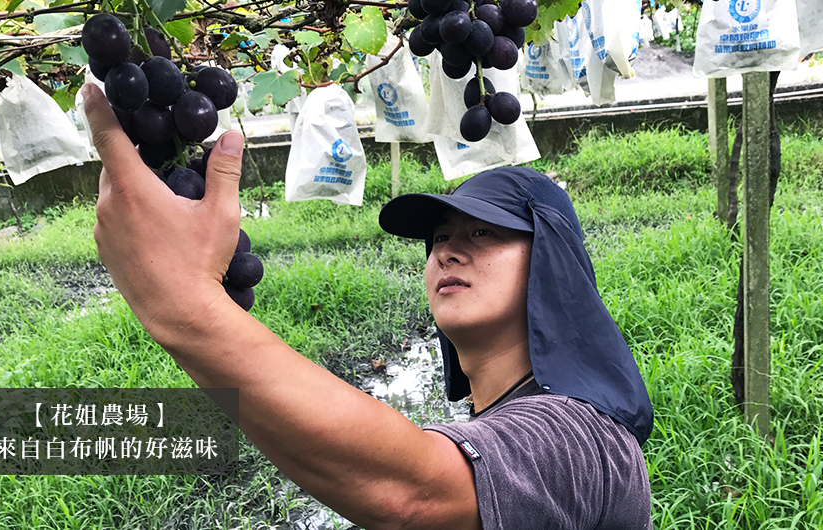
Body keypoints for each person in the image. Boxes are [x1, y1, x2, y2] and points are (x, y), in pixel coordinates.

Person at [81, 82, 653, 529]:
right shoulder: (501, 421)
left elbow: (410, 495)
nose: (448, 250)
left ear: (552, 266)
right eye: (439, 239)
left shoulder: (584, 438)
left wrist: (186, 305)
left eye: (483, 235)